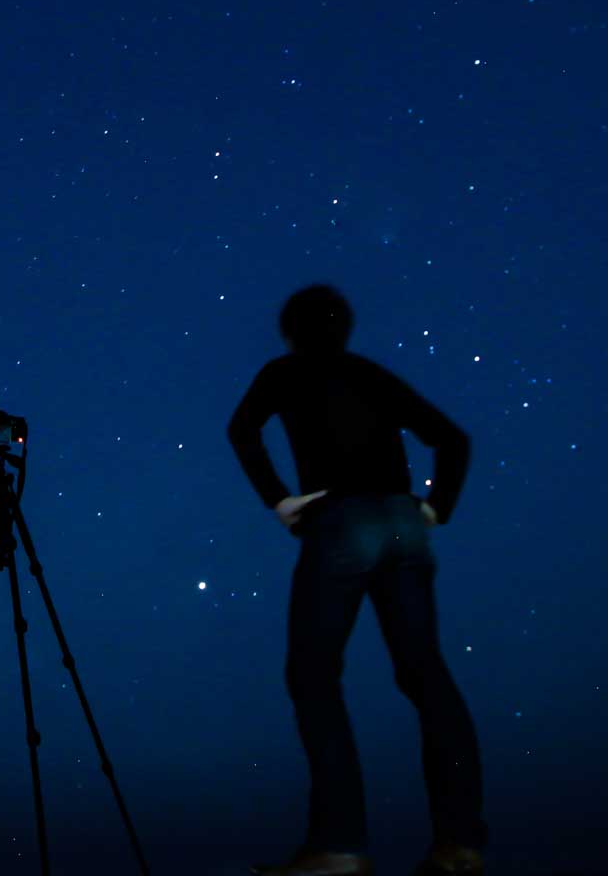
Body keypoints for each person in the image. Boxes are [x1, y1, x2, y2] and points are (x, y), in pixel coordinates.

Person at [227, 285, 489, 876]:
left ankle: (340, 845)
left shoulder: (284, 371)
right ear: (344, 327)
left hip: (341, 520)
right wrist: (434, 507)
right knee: (427, 676)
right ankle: (460, 844)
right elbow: (452, 438)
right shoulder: (370, 373)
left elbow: (241, 429)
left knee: (313, 675)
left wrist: (279, 501)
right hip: (403, 523)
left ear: (289, 329)